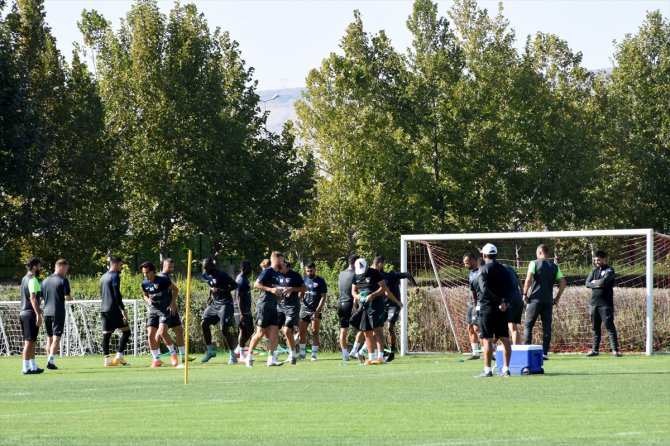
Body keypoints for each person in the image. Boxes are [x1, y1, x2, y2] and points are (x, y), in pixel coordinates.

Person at [522, 244, 567, 359]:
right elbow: (563, 283)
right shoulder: (554, 266)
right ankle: (545, 353)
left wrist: (524, 294)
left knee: (528, 324)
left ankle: (526, 350)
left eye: (537, 253)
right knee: (546, 327)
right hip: (548, 301)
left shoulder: (534, 263)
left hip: (535, 299)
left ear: (539, 252)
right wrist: (557, 297)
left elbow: (528, 279)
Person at [475, 243, 513, 378]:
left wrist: (498, 301)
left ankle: (487, 370)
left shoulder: (483, 269)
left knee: (487, 339)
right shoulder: (504, 269)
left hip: (488, 308)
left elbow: (484, 290)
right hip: (502, 309)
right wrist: (505, 302)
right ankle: (506, 369)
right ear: (496, 255)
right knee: (505, 338)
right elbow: (512, 289)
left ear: (484, 255)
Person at [246, 251, 286, 367]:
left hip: (273, 307)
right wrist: (271, 290)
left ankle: (271, 359)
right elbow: (256, 285)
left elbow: (275, 289)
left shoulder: (278, 274)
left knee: (274, 332)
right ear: (276, 260)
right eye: (283, 260)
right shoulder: (267, 271)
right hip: (263, 306)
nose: (283, 263)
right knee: (260, 333)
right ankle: (249, 357)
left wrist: (278, 295)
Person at [141, 261, 180, 367]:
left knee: (162, 331)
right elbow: (145, 295)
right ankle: (156, 359)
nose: (145, 275)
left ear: (153, 272)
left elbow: (175, 290)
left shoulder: (163, 280)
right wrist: (148, 301)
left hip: (164, 309)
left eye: (147, 273)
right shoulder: (144, 283)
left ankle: (173, 355)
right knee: (150, 335)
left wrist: (172, 304)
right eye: (144, 273)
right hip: (153, 310)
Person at [200, 258, 239, 364]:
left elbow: (235, 285)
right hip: (214, 304)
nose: (206, 271)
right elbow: (210, 284)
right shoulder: (205, 274)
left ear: (213, 266)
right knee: (204, 323)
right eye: (204, 268)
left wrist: (222, 290)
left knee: (223, 329)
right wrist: (209, 294)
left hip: (225, 304)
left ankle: (232, 355)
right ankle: (210, 351)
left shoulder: (221, 274)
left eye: (208, 268)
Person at [352, 258, 390, 365]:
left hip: (376, 305)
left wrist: (372, 296)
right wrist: (357, 296)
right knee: (366, 332)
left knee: (377, 330)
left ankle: (380, 357)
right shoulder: (356, 275)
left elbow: (383, 288)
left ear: (367, 266)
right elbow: (353, 290)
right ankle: (370, 358)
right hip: (363, 306)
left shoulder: (375, 273)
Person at [585, 250, 622, 357]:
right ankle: (595, 350)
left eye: (598, 260)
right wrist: (597, 284)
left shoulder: (610, 270)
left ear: (604, 259)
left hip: (606, 304)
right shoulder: (593, 271)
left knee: (609, 327)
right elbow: (587, 283)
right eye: (595, 260)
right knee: (595, 328)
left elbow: (604, 282)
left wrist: (595, 282)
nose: (596, 262)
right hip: (593, 304)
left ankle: (615, 350)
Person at [157, 258, 194, 364]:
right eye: (169, 267)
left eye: (172, 267)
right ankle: (166, 355)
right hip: (163, 310)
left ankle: (183, 356)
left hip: (171, 309)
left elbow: (174, 290)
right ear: (164, 266)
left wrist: (172, 303)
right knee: (161, 332)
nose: (172, 269)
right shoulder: (161, 277)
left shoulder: (166, 277)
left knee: (178, 330)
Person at [371, 256, 406, 362]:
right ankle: (380, 351)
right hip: (382, 305)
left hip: (393, 306)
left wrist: (398, 302)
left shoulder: (390, 275)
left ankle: (391, 352)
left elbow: (387, 291)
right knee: (375, 330)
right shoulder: (374, 275)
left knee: (390, 326)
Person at [100, 256, 132, 367]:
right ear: (114, 264)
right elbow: (116, 294)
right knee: (127, 331)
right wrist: (122, 309)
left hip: (103, 309)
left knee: (106, 334)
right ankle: (118, 356)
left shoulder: (103, 277)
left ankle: (107, 361)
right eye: (120, 265)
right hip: (113, 308)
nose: (121, 267)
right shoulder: (115, 276)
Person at [41, 259, 72, 370]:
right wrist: (70, 298)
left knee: (49, 338)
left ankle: (48, 360)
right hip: (57, 312)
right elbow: (67, 297)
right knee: (56, 338)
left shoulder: (44, 281)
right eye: (66, 269)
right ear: (61, 267)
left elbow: (41, 297)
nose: (66, 271)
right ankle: (51, 361)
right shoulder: (63, 280)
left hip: (46, 313)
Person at [274, 259, 306, 365]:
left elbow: (304, 288)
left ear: (286, 266)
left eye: (281, 266)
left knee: (287, 330)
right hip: (280, 306)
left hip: (292, 306)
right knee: (273, 330)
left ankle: (292, 354)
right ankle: (275, 352)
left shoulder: (295, 275)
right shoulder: (277, 275)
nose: (279, 268)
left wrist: (292, 289)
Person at [297, 262, 328, 361]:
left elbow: (323, 297)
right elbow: (300, 295)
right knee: (301, 332)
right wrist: (299, 297)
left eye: (311, 271)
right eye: (307, 271)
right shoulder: (303, 279)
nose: (309, 273)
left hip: (315, 310)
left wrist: (318, 310)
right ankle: (302, 353)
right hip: (304, 309)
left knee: (314, 332)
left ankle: (314, 355)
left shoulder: (320, 281)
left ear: (315, 270)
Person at [19, 258, 44, 375]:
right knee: (29, 342)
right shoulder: (32, 279)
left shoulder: (24, 278)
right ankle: (25, 368)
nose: (40, 268)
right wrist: (38, 314)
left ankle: (34, 367)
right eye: (39, 266)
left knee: (32, 341)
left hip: (25, 313)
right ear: (34, 267)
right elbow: (33, 298)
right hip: (29, 314)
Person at [337, 255, 358, 361]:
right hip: (350, 303)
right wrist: (354, 305)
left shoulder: (341, 273)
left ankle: (345, 355)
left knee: (343, 331)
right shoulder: (355, 274)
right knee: (365, 328)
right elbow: (355, 291)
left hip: (340, 303)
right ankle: (355, 351)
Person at [234, 260, 254, 361]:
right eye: (249, 268)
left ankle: (238, 349)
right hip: (241, 310)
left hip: (246, 310)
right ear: (243, 268)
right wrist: (241, 313)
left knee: (250, 331)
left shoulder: (245, 279)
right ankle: (242, 355)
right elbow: (238, 297)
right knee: (243, 330)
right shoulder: (241, 280)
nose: (251, 269)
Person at [463, 254, 481, 360]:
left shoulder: (481, 271)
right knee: (470, 327)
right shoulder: (471, 273)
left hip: (478, 303)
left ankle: (488, 351)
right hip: (471, 303)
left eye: (467, 263)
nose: (465, 265)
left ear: (473, 261)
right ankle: (475, 353)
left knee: (477, 328)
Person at [502, 263, 524, 345]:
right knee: (513, 328)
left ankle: (491, 347)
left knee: (505, 328)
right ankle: (517, 351)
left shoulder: (498, 271)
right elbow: (519, 282)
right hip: (518, 300)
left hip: (509, 302)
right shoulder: (509, 267)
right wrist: (522, 294)